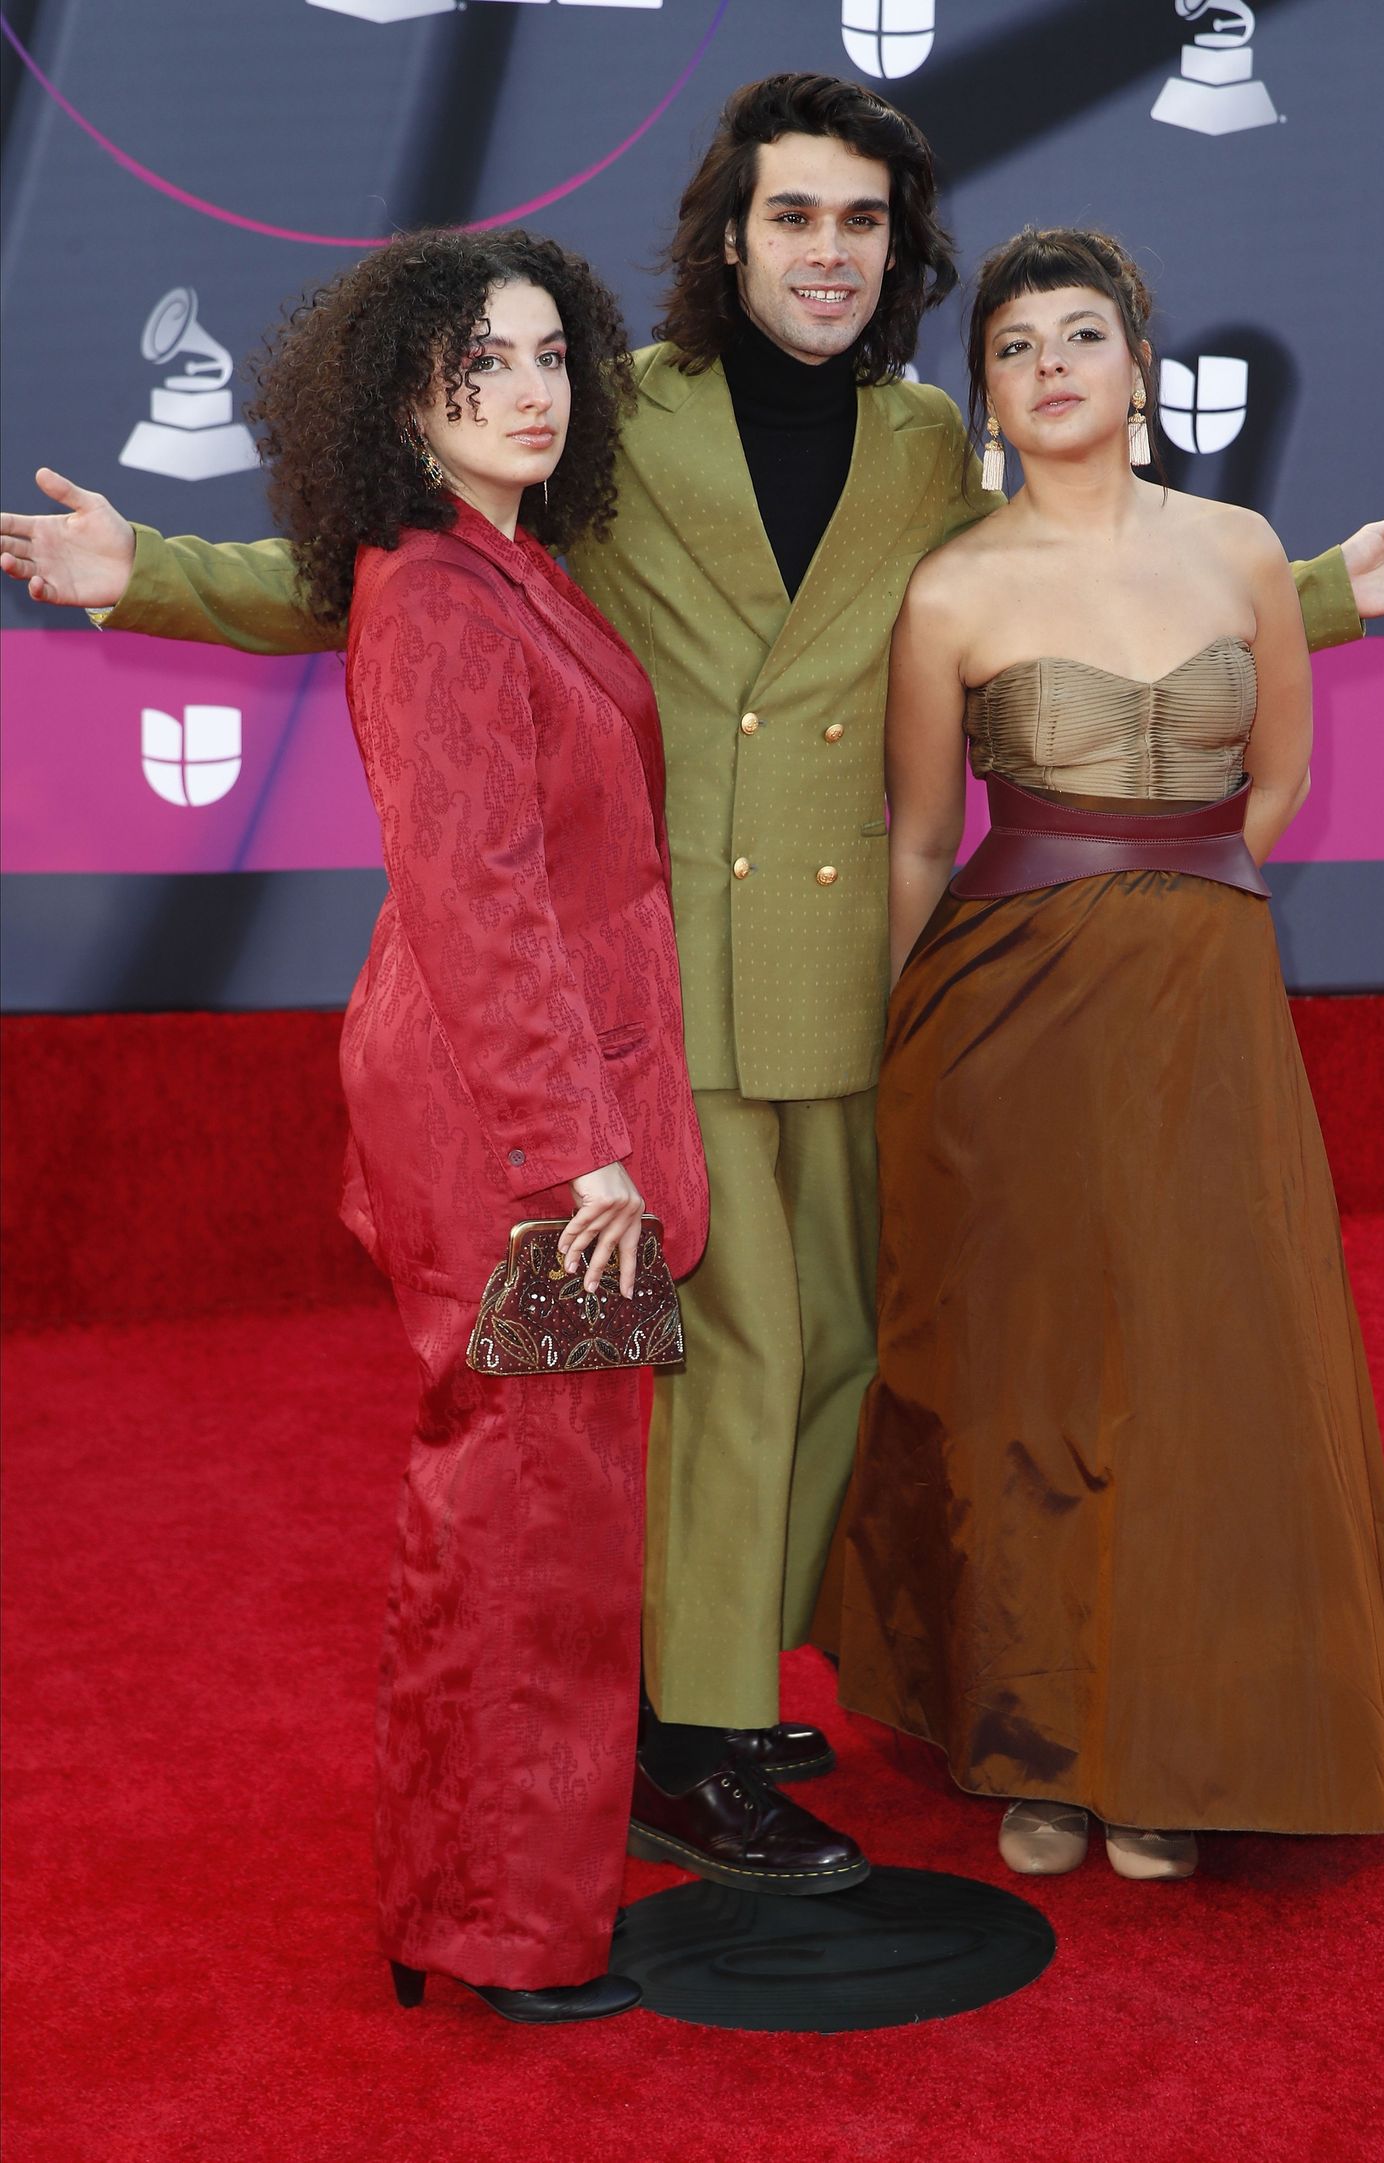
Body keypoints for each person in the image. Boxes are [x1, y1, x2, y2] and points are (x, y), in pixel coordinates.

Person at [0, 76, 1384, 1894]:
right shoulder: (614, 413)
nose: (830, 252)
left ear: (899, 249)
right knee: (748, 1351)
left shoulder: (933, 438)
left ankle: (706, 1674)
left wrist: (1317, 596)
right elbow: (402, 562)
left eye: (864, 223)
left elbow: (1079, 593)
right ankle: (690, 1742)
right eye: (796, 217)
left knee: (849, 1351)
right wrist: (143, 570)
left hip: (862, 971)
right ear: (728, 233)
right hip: (664, 964)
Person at [827, 227, 1384, 1883]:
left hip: (1209, 994)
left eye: (1079, 334)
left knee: (1209, 1359)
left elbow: (1279, 778)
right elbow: (916, 838)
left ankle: (1174, 1741)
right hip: (1006, 1015)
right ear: (991, 398)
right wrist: (898, 1033)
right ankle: (1038, 1742)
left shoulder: (1240, 548)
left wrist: (1189, 901)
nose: (1049, 367)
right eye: (1013, 348)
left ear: (1139, 367)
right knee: (1031, 1371)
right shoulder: (953, 585)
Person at [253, 226, 706, 2018]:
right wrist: (572, 1152)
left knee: (544, 1511)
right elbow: (478, 896)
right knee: (529, 1527)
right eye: (476, 366)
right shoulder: (435, 593)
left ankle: (485, 1903)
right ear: (402, 401)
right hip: (522, 1137)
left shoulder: (511, 566)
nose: (526, 390)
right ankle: (497, 1930)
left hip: (556, 1113)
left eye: (544, 356)